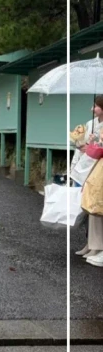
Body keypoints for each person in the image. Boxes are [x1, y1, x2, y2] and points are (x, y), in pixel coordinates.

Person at [74, 95, 103, 264]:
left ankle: (97, 246)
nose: (92, 109)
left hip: (97, 167)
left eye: (96, 106)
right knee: (90, 206)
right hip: (92, 167)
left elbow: (97, 149)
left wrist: (93, 144)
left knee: (96, 206)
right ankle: (92, 244)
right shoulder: (91, 123)